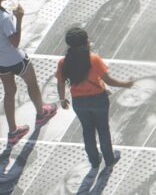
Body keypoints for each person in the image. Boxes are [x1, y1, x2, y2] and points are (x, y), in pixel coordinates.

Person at [52, 26, 130, 168]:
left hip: (78, 101)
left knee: (87, 130)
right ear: (86, 41)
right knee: (103, 129)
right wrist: (126, 84)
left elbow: (61, 82)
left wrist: (62, 100)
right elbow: (108, 80)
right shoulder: (94, 59)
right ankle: (109, 159)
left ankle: (94, 161)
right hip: (98, 99)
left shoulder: (63, 62)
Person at [0, 0, 57, 145]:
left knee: (9, 93)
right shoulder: (4, 18)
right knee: (32, 84)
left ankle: (13, 132)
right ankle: (41, 113)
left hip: (1, 63)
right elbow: (15, 42)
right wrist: (19, 18)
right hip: (16, 59)